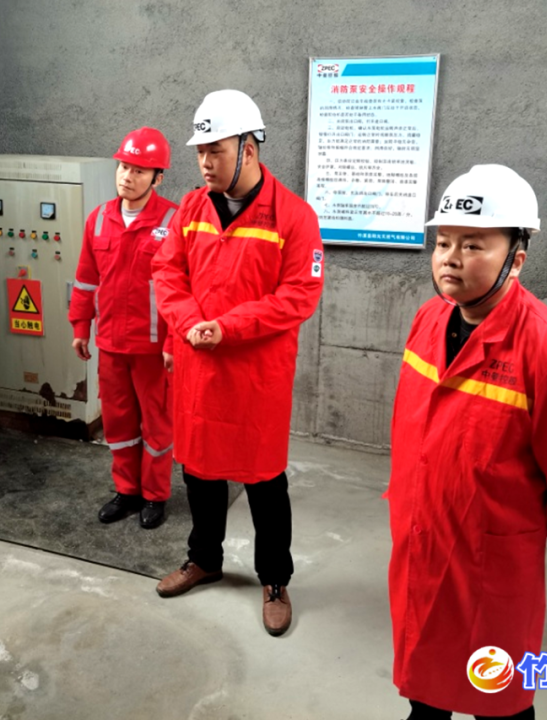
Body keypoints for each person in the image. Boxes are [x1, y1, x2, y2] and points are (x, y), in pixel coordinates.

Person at [385, 165, 547, 718]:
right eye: (443, 242)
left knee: (497, 696)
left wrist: (527, 527)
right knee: (425, 684)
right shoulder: (428, 320)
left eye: (473, 245)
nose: (450, 258)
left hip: (490, 557)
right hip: (422, 537)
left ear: (516, 259)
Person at [151, 90, 324, 636]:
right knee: (199, 468)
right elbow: (166, 272)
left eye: (215, 151)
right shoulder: (192, 209)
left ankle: (274, 579)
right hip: (199, 364)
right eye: (200, 152)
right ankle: (204, 559)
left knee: (264, 479)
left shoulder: (294, 216)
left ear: (249, 148)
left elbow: (299, 295)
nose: (204, 163)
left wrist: (228, 327)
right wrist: (186, 323)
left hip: (256, 373)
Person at [69, 127, 178, 529]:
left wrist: (173, 342)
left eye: (139, 170)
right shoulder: (99, 219)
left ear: (157, 177)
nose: (127, 176)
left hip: (153, 349)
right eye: (123, 167)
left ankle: (155, 495)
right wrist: (81, 326)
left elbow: (181, 290)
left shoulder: (174, 221)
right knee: (118, 423)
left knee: (157, 425)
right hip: (111, 344)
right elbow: (86, 279)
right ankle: (127, 491)